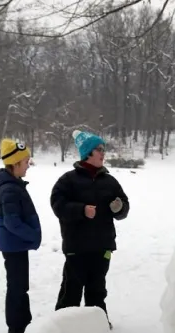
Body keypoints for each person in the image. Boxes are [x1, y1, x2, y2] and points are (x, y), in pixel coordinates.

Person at [51, 130, 130, 316]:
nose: (103, 153)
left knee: (97, 290)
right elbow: (58, 206)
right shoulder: (68, 180)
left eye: (104, 149)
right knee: (71, 289)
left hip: (102, 246)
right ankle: (63, 323)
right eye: (99, 149)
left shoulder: (110, 181)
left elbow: (124, 207)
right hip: (76, 246)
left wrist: (119, 208)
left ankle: (98, 323)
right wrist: (81, 210)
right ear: (87, 153)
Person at [0, 138, 42, 333]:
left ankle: (23, 323)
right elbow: (12, 222)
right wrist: (32, 234)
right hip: (14, 245)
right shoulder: (10, 190)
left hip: (16, 244)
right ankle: (16, 328)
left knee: (20, 285)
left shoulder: (13, 185)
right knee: (17, 286)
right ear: (15, 164)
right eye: (25, 162)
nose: (28, 165)